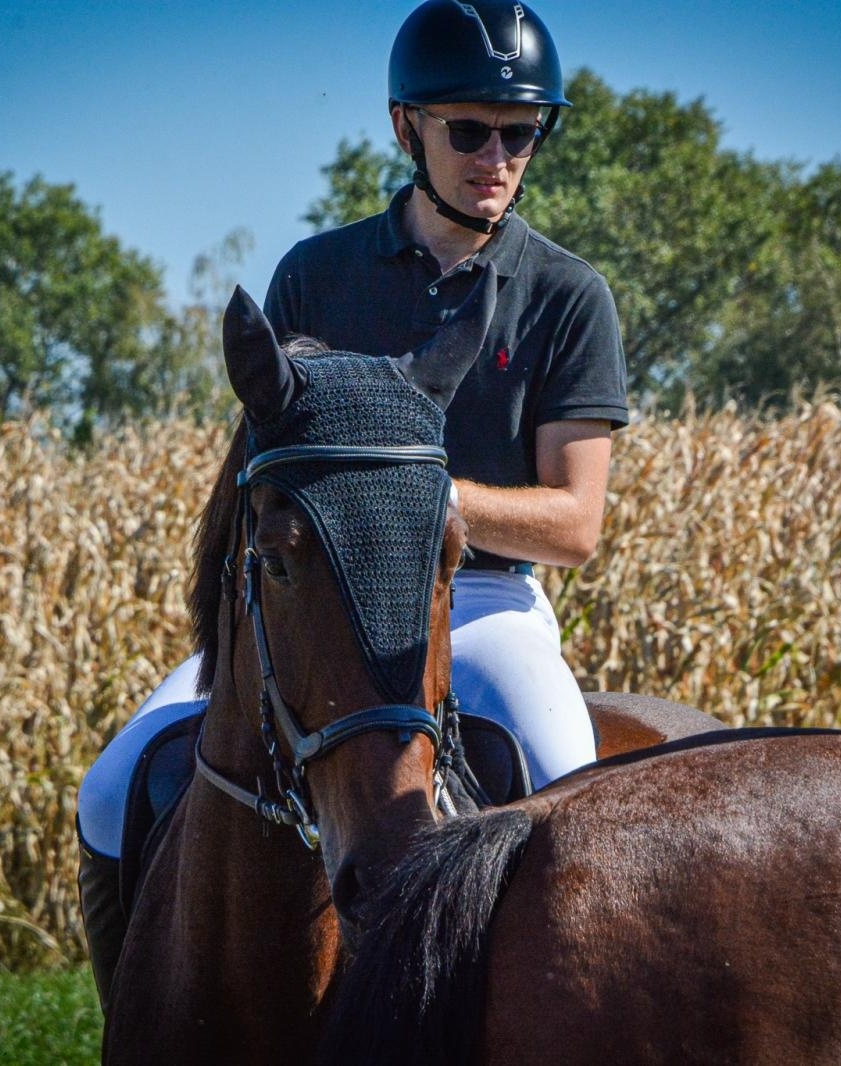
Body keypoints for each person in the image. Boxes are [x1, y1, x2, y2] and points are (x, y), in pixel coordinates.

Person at [77, 0, 628, 1005]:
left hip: (479, 605)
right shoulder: (315, 275)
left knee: (562, 777)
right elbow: (258, 485)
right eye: (468, 130)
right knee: (111, 786)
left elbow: (577, 523)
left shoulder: (565, 292)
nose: (496, 156)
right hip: (313, 596)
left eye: (521, 131)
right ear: (403, 125)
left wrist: (413, 497)